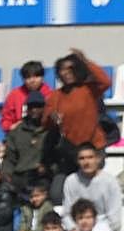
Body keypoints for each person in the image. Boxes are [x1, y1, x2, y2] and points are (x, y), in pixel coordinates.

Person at [43, 49, 112, 178]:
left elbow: (106, 82)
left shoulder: (89, 89)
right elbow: (45, 122)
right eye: (63, 70)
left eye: (71, 69)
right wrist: (52, 117)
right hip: (70, 150)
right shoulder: (55, 96)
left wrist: (85, 61)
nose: (67, 73)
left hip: (94, 146)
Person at [61, 144, 121, 231]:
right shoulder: (71, 181)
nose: (86, 162)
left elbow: (114, 217)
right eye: (82, 158)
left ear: (98, 159)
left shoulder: (110, 182)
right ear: (77, 161)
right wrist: (74, 229)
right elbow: (67, 213)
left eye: (90, 157)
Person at [2, 91, 49, 195]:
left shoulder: (50, 131)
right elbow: (9, 158)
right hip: (20, 176)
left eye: (38, 106)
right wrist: (6, 174)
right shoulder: (17, 132)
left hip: (42, 177)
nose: (34, 110)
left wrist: (48, 168)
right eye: (31, 107)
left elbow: (57, 156)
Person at [0, 61, 51, 133]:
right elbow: (5, 120)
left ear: (42, 77)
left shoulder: (50, 95)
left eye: (36, 76)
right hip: (20, 133)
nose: (32, 80)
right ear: (23, 79)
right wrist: (12, 126)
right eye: (28, 77)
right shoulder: (14, 95)